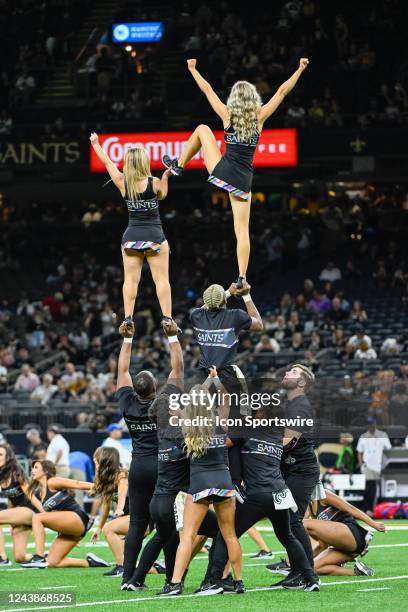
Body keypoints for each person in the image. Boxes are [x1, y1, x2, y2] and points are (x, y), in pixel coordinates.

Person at [162, 57, 309, 288]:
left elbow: (208, 90)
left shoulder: (227, 115)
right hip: (243, 180)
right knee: (242, 231)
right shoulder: (259, 117)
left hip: (223, 170)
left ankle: (179, 164)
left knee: (202, 129)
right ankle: (242, 277)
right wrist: (299, 69)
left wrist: (192, 69)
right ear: (253, 99)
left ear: (234, 99)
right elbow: (281, 92)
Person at [126, 321, 219, 594]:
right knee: (223, 533)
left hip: (159, 501)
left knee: (163, 540)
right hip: (171, 503)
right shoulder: (185, 435)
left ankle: (137, 579)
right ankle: (211, 579)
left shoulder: (162, 431)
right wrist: (212, 381)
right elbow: (199, 406)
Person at [205, 398, 320, 594]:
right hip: (280, 492)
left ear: (261, 414)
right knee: (288, 537)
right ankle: (311, 578)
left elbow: (224, 443)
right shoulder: (276, 434)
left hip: (258, 494)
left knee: (226, 536)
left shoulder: (247, 430)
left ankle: (214, 580)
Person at [89, 133, 174, 333]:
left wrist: (95, 144)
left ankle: (128, 318)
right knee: (161, 280)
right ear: (144, 162)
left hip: (131, 237)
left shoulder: (121, 181)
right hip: (154, 235)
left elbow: (107, 162)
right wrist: (165, 176)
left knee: (130, 281)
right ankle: (168, 318)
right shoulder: (153, 182)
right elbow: (163, 195)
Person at [266, 364, 321, 589]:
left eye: (294, 372)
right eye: (288, 370)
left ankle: (306, 573)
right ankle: (298, 571)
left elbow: (288, 442)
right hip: (288, 469)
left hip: (301, 470)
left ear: (301, 383)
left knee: (293, 520)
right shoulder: (288, 404)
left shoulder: (300, 406)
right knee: (284, 521)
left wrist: (260, 446)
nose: (287, 372)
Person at [115, 322, 160, 589]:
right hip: (162, 466)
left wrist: (127, 340)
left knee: (136, 524)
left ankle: (127, 577)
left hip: (138, 466)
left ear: (135, 388)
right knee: (167, 522)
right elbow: (178, 373)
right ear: (156, 389)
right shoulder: (163, 403)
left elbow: (121, 370)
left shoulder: (127, 403)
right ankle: (171, 576)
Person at [21, 460, 108, 569]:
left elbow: (78, 484)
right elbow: (56, 516)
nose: (32, 470)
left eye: (36, 467)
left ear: (46, 471)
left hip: (78, 518)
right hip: (70, 527)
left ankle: (39, 557)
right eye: (32, 468)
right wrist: (65, 530)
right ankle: (91, 562)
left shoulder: (52, 482)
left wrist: (101, 487)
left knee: (37, 517)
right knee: (53, 562)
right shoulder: (40, 493)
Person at [304, 488, 386, 576]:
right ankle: (359, 571)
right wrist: (303, 559)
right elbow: (322, 545)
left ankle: (291, 562)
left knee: (303, 523)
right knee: (312, 568)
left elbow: (350, 508)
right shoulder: (310, 507)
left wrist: (373, 524)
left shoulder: (323, 494)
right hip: (344, 548)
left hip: (352, 536)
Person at [0, 444, 43, 564]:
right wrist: (10, 521)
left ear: (8, 457)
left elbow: (31, 495)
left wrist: (44, 514)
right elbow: (10, 499)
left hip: (29, 512)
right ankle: (46, 557)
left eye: (1, 454)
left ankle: (2, 557)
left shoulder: (16, 472)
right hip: (19, 516)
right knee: (20, 557)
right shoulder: (1, 475)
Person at [357, 418, 391, 514]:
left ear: (375, 424)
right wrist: (361, 466)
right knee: (371, 487)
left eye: (372, 424)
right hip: (368, 466)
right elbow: (359, 452)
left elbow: (388, 450)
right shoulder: (363, 436)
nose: (371, 426)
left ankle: (374, 509)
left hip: (380, 466)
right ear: (367, 426)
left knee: (377, 488)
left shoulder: (382, 435)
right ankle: (368, 509)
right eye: (369, 424)